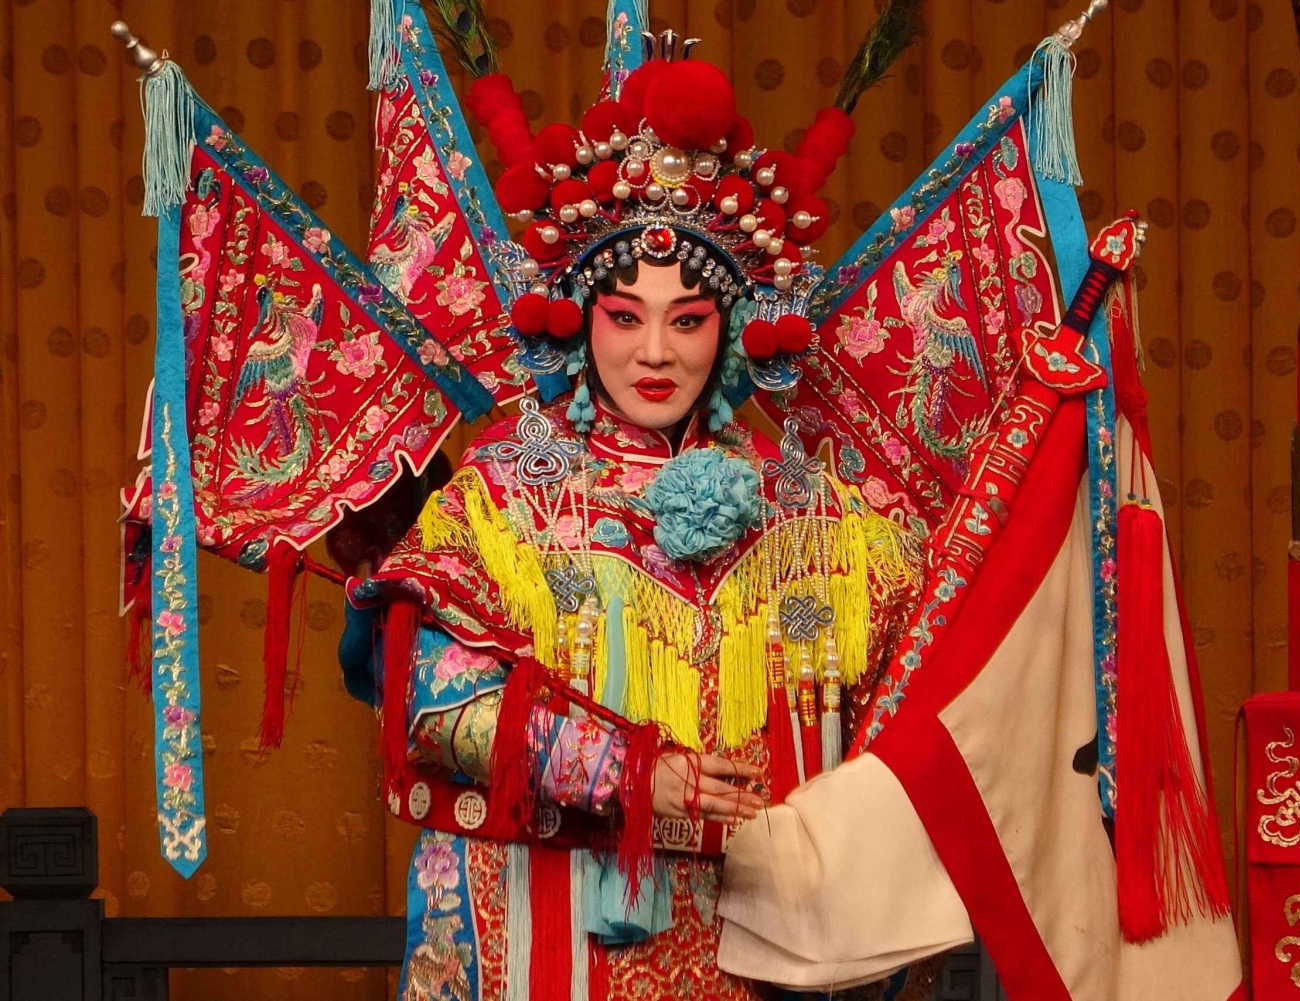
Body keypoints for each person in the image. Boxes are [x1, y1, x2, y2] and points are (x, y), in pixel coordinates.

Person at [340, 35, 935, 1001]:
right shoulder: (509, 493)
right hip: (547, 925)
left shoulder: (816, 513)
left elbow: (913, 697)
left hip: (761, 948)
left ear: (732, 326)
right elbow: (425, 696)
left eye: (688, 319)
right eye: (626, 316)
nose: (655, 352)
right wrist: (624, 771)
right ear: (581, 319)